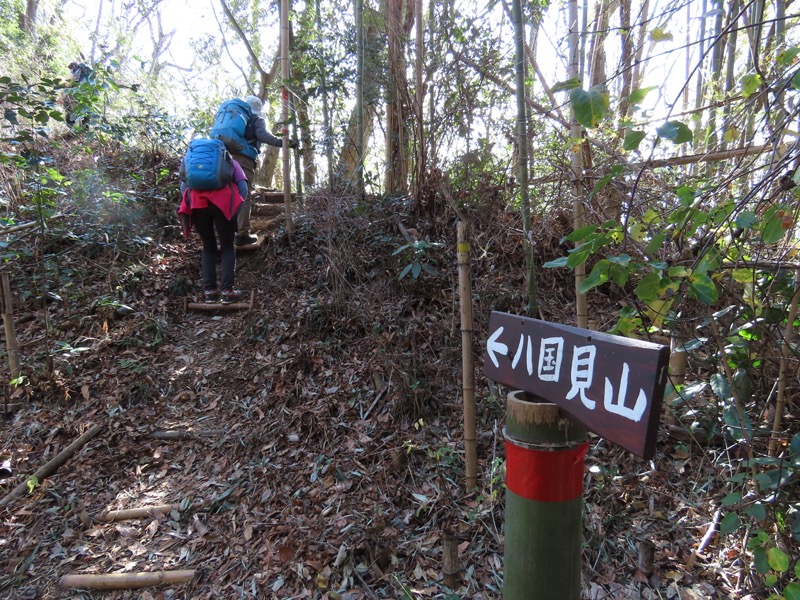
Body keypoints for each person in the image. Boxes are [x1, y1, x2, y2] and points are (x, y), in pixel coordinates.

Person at [178, 158, 249, 304]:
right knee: (227, 247)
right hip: (223, 203)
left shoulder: (193, 161)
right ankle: (227, 292)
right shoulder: (230, 161)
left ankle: (210, 292)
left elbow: (183, 187)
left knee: (208, 247)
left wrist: (192, 202)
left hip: (198, 204)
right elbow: (243, 187)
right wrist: (235, 211)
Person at [230, 95, 297, 246]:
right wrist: (282, 142)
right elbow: (262, 135)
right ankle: (242, 234)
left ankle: (228, 231)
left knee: (231, 192)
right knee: (244, 193)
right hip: (243, 158)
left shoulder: (236, 116)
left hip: (226, 157)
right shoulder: (255, 118)